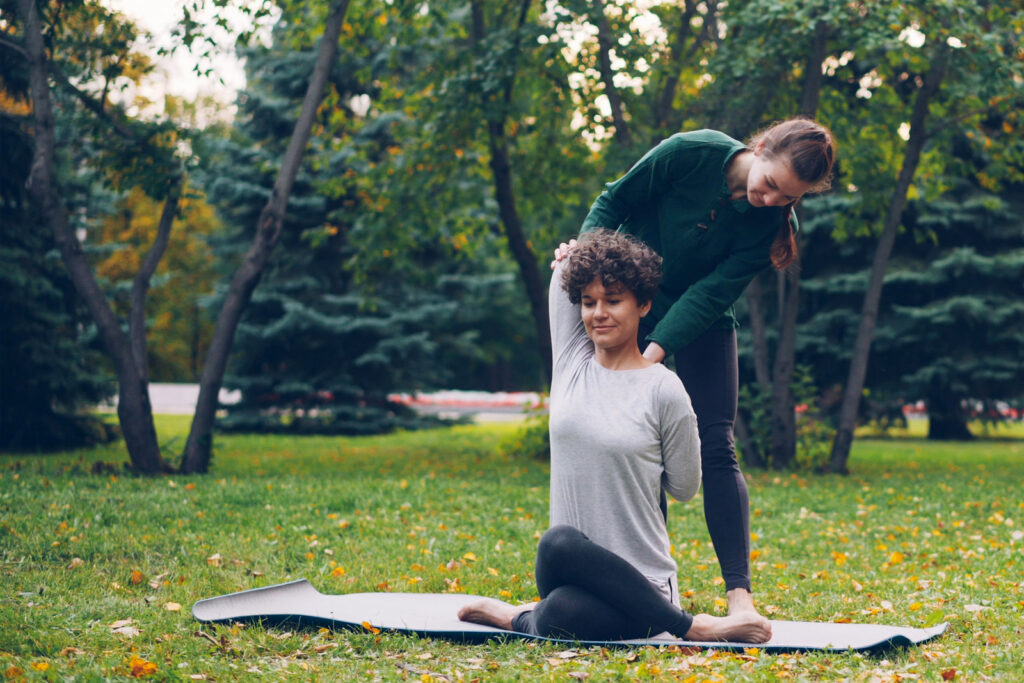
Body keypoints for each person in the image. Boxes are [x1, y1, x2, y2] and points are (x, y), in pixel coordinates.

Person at [564, 118, 837, 621]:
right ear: (760, 148)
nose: (772, 201)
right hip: (634, 302)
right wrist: (586, 264)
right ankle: (647, 586)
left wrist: (652, 355)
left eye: (788, 199)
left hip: (704, 319)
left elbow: (710, 293)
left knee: (717, 442)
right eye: (772, 184)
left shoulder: (774, 224)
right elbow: (614, 202)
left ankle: (740, 598)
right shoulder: (690, 153)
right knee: (639, 443)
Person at [458, 229, 772, 642]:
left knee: (559, 611)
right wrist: (571, 253)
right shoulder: (572, 361)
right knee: (557, 544)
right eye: (588, 303)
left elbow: (684, 488)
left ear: (643, 305)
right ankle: (693, 627)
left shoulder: (664, 389)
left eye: (613, 300)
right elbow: (563, 274)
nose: (598, 313)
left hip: (645, 590)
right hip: (568, 568)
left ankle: (524, 618)